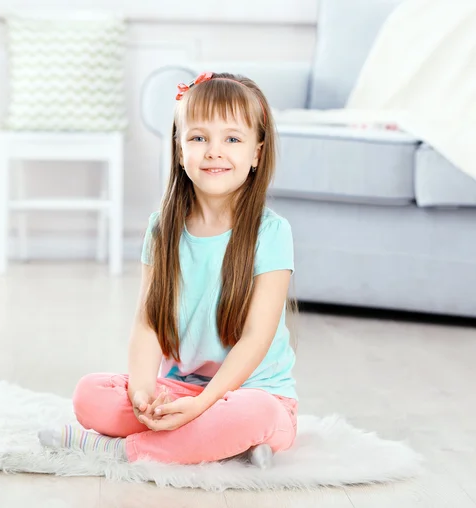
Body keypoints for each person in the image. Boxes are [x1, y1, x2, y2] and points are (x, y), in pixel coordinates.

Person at [39, 72, 298, 467]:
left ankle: (123, 451)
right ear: (179, 151)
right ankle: (218, 444)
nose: (214, 151)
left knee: (254, 416)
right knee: (90, 394)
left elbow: (254, 340)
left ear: (256, 153)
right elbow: (148, 323)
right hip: (181, 389)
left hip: (255, 394)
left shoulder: (272, 233)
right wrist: (143, 394)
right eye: (198, 138)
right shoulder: (163, 228)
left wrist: (203, 407)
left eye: (232, 139)